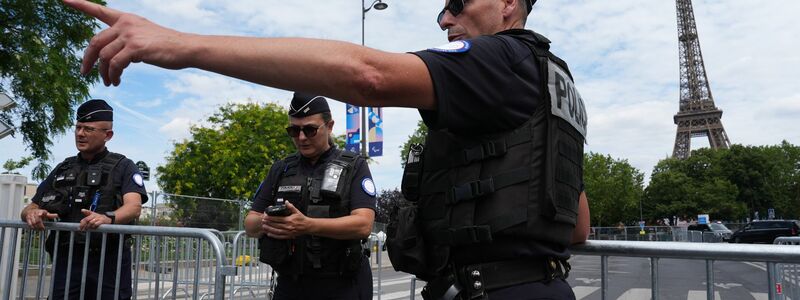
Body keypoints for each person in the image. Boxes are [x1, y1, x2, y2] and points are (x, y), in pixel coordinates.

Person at [64, 0, 591, 298]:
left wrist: (183, 46)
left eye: (456, 3)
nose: (444, 20)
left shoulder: (500, 59)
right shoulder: (556, 86)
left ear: (507, 6)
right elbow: (576, 225)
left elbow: (370, 75)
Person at [243, 93, 377, 299]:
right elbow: (250, 224)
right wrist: (270, 221)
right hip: (291, 285)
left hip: (341, 285)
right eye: (294, 130)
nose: (302, 137)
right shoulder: (281, 169)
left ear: (329, 126)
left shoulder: (354, 165)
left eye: (310, 129)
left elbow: (363, 224)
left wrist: (307, 225)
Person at [19, 99, 147, 300]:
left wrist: (107, 218)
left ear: (108, 135)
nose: (80, 133)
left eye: (88, 129)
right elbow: (30, 207)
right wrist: (33, 213)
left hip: (109, 260)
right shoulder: (64, 168)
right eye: (78, 127)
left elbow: (134, 207)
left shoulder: (124, 166)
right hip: (68, 259)